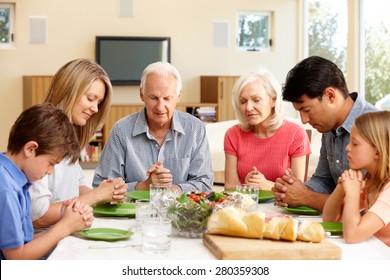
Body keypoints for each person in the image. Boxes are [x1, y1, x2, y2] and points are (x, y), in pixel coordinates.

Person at [30, 58, 127, 228]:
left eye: (98, 103)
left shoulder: (69, 136)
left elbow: (78, 186)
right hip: (46, 241)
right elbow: (39, 216)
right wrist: (96, 196)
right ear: (69, 91)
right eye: (90, 99)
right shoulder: (40, 137)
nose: (95, 109)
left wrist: (106, 194)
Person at [272, 56, 378, 210]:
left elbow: (368, 205)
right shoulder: (330, 126)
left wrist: (305, 197)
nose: (304, 120)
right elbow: (324, 180)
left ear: (330, 96)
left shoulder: (379, 128)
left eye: (306, 110)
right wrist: (294, 191)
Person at [93, 61, 214, 193]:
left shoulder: (195, 129)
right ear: (142, 94)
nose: (160, 107)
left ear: (179, 96)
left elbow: (204, 182)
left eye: (167, 98)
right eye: (154, 98)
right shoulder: (121, 131)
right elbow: (101, 186)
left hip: (180, 211)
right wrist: (143, 186)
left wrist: (172, 190)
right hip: (133, 212)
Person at [0, 103, 94, 260]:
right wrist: (66, 226)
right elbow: (17, 258)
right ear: (30, 149)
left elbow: (26, 246)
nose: (49, 171)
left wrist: (65, 221)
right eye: (51, 163)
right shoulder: (7, 190)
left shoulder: (16, 182)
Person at [224, 68, 311, 191]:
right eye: (243, 101)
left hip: (283, 208)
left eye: (256, 100)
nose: (248, 107)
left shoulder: (296, 134)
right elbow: (230, 188)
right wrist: (246, 187)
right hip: (248, 207)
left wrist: (269, 186)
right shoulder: (233, 134)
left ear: (273, 100)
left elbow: (298, 191)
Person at [323, 111, 390, 246]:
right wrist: (341, 188)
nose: (347, 148)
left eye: (355, 143)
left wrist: (353, 193)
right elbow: (329, 220)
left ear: (377, 151)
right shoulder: (371, 180)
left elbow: (353, 235)